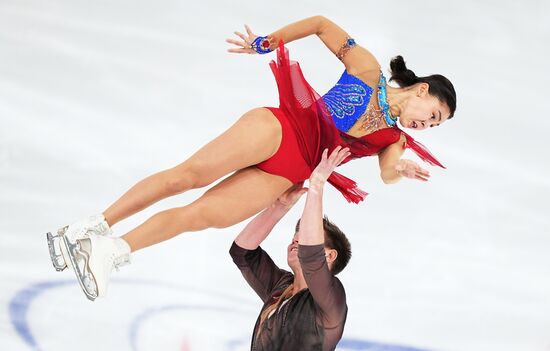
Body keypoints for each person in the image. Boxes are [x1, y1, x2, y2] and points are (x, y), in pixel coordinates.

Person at [46, 16, 456, 300]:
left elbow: (387, 173)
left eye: (436, 127)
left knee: (202, 215)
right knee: (188, 176)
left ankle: (110, 251)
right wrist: (269, 42)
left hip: (289, 173)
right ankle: (91, 226)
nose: (429, 126)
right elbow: (320, 24)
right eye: (434, 115)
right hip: (277, 130)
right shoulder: (367, 70)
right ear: (421, 91)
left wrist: (399, 169)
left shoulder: (393, 140)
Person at [231, 146, 351, 351]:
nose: (297, 240)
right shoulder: (281, 287)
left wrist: (317, 185)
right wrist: (279, 207)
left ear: (329, 255)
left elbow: (311, 258)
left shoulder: (331, 301)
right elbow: (242, 252)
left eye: (304, 236)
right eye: (296, 237)